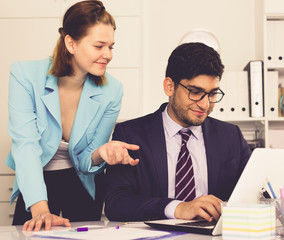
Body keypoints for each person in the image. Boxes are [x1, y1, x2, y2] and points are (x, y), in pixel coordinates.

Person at [6, 0, 139, 232]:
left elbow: (87, 162)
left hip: (82, 182)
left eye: (111, 47)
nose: (108, 55)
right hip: (35, 178)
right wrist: (40, 210)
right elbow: (25, 146)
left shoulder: (112, 91)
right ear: (71, 43)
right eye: (99, 46)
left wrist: (101, 153)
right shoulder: (25, 75)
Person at [105, 42, 251, 222]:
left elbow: (253, 194)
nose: (205, 105)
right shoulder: (131, 135)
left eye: (212, 94)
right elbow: (116, 203)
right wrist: (177, 208)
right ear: (169, 87)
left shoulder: (231, 136)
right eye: (195, 92)